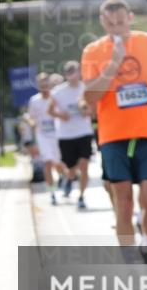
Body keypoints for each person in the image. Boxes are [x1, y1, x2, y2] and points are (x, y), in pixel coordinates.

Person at [81, 0, 147, 263]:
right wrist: (113, 65)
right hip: (113, 137)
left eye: (121, 21)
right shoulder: (93, 51)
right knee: (123, 202)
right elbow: (91, 98)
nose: (116, 27)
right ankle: (129, 259)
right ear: (103, 22)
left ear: (130, 18)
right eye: (110, 22)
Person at [48, 61, 95, 209]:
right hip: (66, 135)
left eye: (75, 72)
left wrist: (86, 112)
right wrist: (61, 115)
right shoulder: (58, 92)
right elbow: (50, 111)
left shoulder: (85, 88)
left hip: (84, 132)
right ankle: (69, 179)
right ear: (66, 74)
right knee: (71, 168)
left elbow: (93, 110)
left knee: (84, 165)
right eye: (69, 72)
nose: (73, 75)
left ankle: (81, 196)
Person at [26, 73, 67, 203]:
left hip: (57, 135)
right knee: (48, 163)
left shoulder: (55, 98)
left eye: (46, 82)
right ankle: (52, 192)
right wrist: (32, 124)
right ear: (38, 85)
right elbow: (31, 117)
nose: (44, 85)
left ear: (49, 84)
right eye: (41, 83)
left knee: (58, 164)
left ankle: (63, 177)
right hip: (42, 135)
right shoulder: (34, 100)